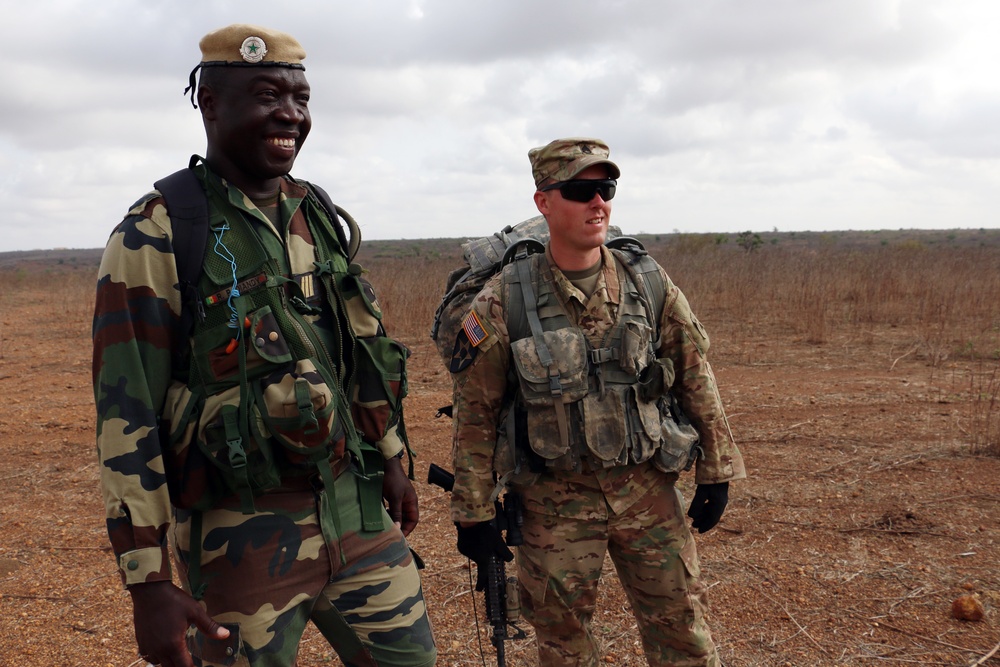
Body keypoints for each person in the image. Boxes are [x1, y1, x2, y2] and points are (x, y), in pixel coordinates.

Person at [92, 24, 436, 667]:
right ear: (210, 103)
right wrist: (148, 582)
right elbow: (126, 415)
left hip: (356, 513)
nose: (291, 116)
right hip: (240, 540)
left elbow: (358, 351)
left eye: (301, 99)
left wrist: (390, 456)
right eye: (268, 94)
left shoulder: (316, 214)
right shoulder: (157, 235)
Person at [447, 137, 746, 666]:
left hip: (646, 492)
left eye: (605, 189)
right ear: (544, 201)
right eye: (581, 190)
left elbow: (695, 375)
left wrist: (718, 471)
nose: (598, 203)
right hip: (553, 502)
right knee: (563, 644)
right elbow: (477, 413)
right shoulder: (504, 298)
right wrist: (472, 513)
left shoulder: (647, 282)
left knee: (682, 630)